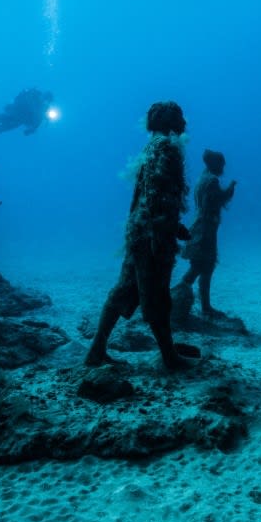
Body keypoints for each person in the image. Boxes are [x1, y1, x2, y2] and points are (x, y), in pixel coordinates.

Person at [85, 101, 199, 370]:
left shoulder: (151, 146)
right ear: (170, 119)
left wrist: (172, 225)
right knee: (157, 294)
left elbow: (150, 194)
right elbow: (158, 196)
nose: (185, 122)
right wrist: (167, 231)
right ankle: (169, 358)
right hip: (152, 235)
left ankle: (95, 351)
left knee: (124, 290)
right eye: (181, 116)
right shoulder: (167, 147)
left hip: (140, 231)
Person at [173, 149, 237, 318]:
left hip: (202, 227)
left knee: (203, 266)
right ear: (214, 163)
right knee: (201, 267)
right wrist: (230, 190)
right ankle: (180, 301)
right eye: (222, 163)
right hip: (205, 230)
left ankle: (203, 306)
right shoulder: (212, 181)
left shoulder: (203, 178)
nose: (224, 166)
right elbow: (216, 200)